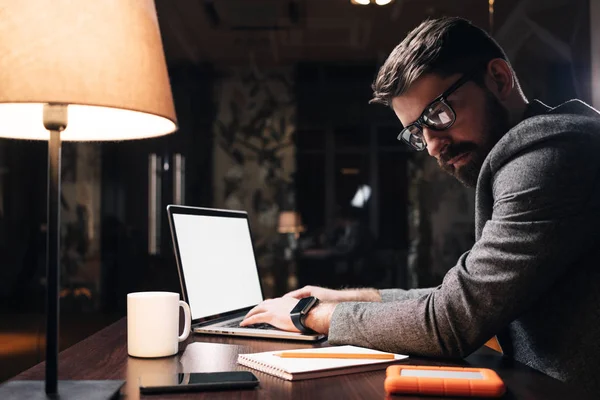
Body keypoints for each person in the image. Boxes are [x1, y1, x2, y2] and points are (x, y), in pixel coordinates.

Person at [241, 17, 600, 396]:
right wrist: (340, 298)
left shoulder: (549, 154)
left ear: (498, 78)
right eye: (417, 131)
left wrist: (309, 316)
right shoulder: (549, 146)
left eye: (439, 114)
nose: (431, 145)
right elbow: (459, 297)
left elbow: (452, 320)